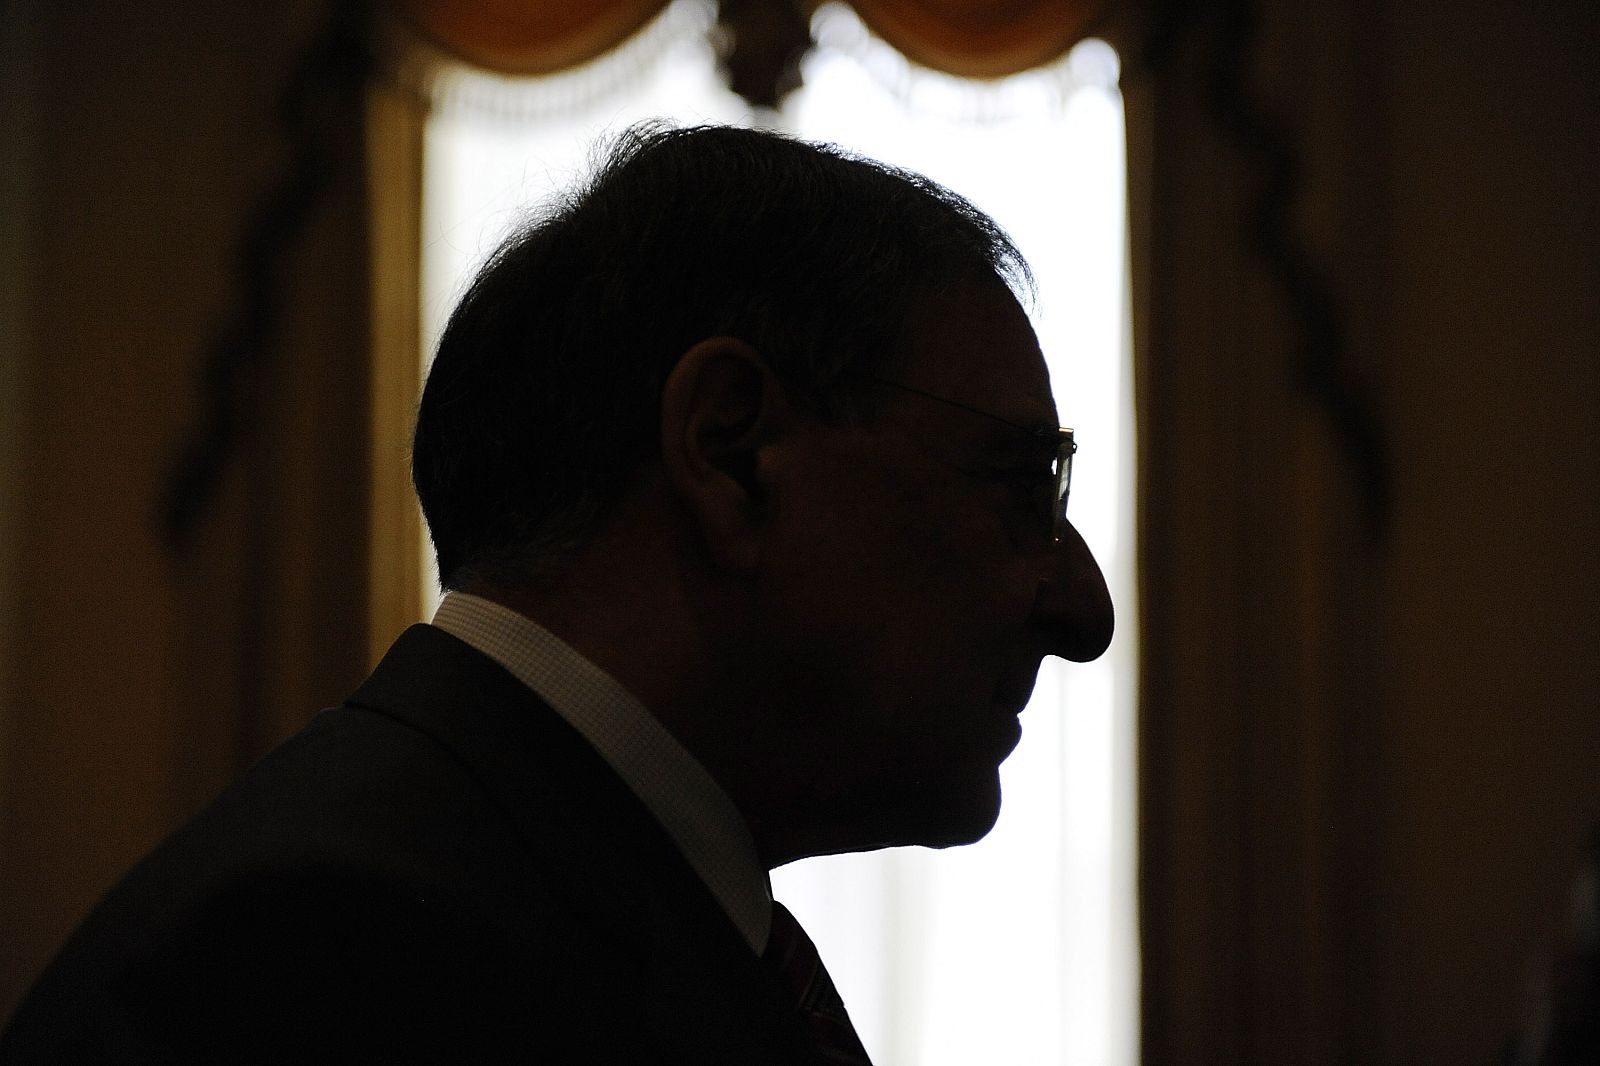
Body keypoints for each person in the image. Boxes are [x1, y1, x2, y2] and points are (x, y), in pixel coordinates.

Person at [0, 123, 1113, 1064]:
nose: (1085, 609)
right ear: (730, 452)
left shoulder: (483, 895)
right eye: (1020, 486)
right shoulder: (342, 961)